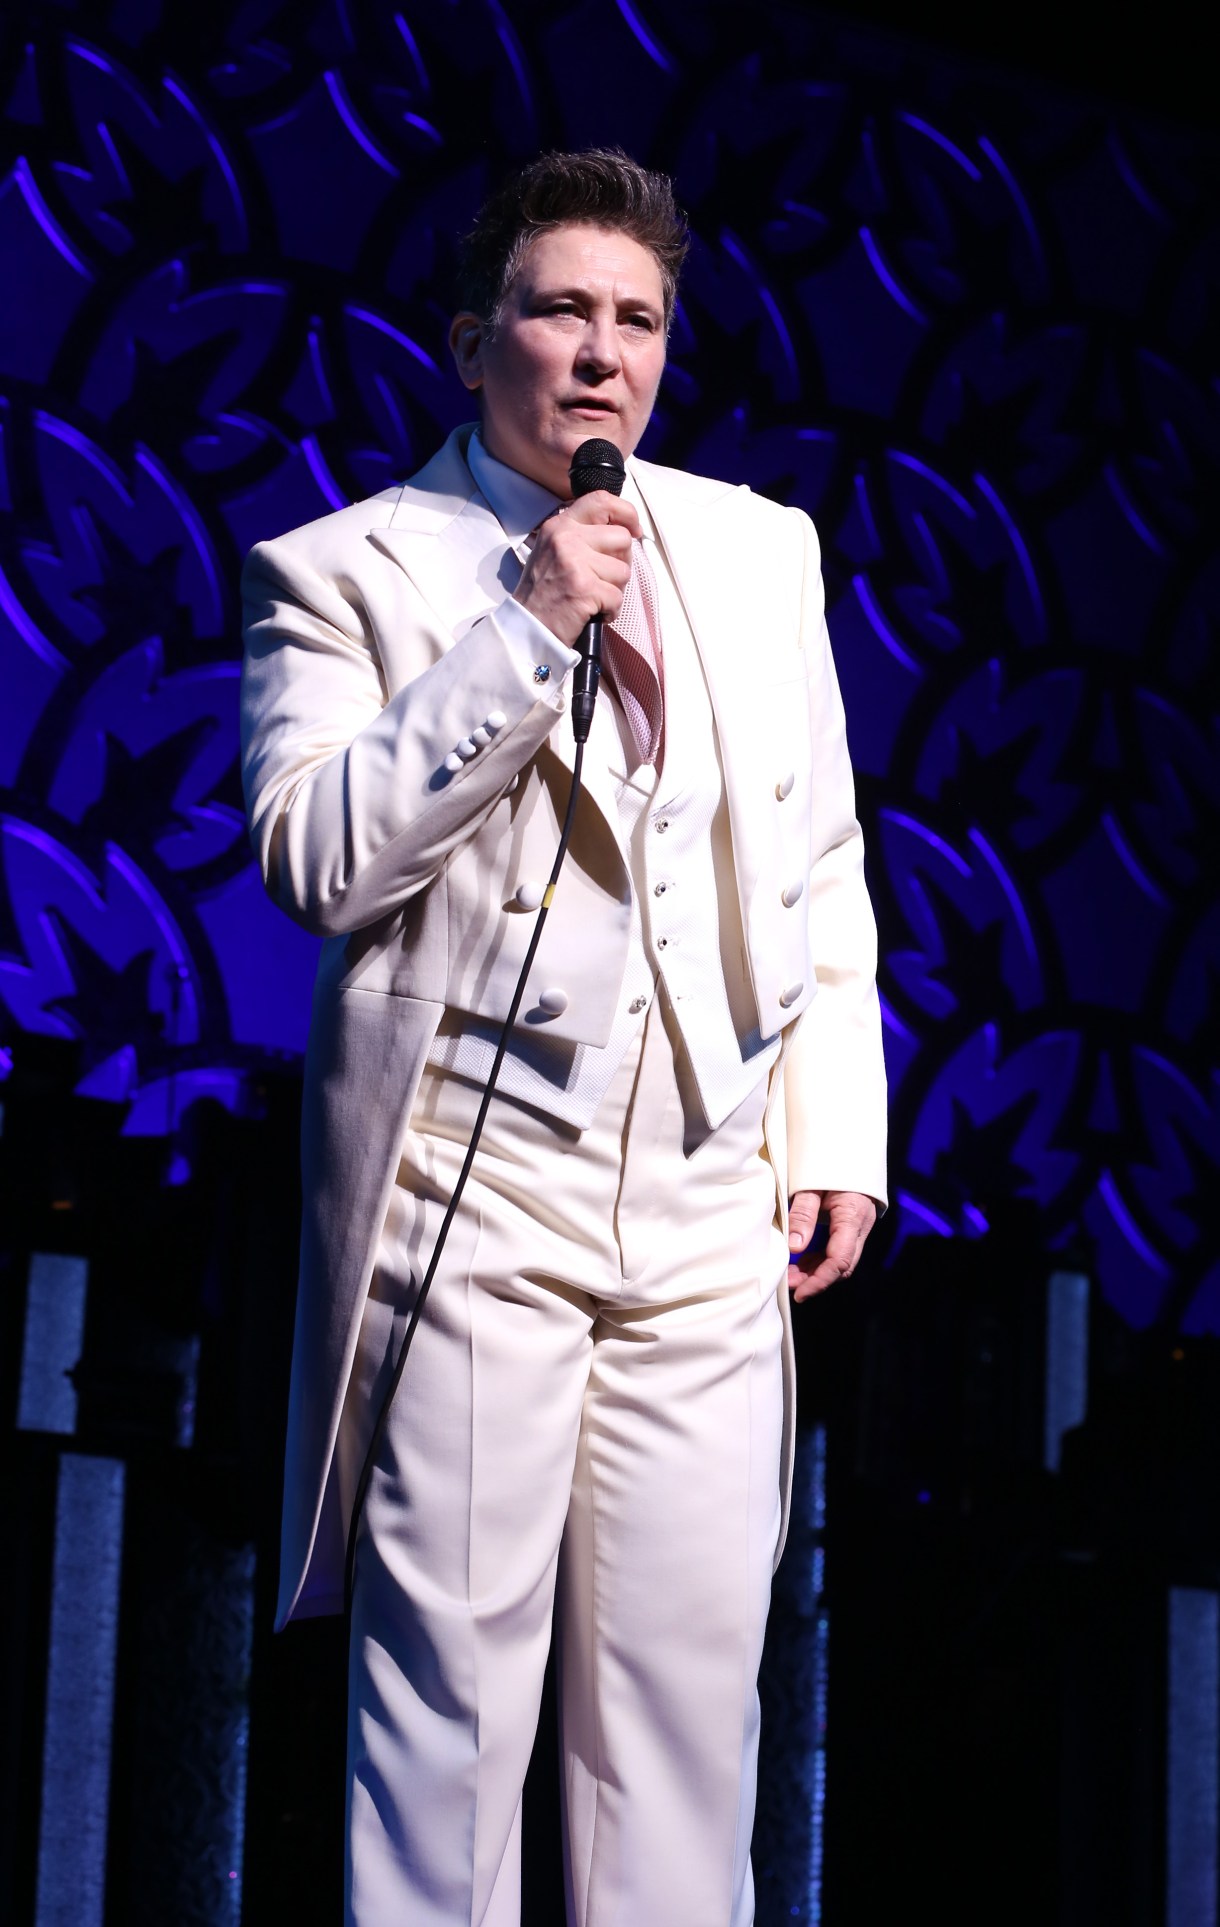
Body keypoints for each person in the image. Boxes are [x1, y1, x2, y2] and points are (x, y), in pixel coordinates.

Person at [240, 147, 887, 1927]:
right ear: (473, 341)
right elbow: (317, 856)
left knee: (683, 1737)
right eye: (559, 309)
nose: (603, 352)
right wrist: (527, 624)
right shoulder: (345, 573)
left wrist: (834, 1135)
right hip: (476, 1197)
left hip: (702, 1208)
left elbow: (819, 858)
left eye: (639, 318)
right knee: (445, 1732)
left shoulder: (759, 555)